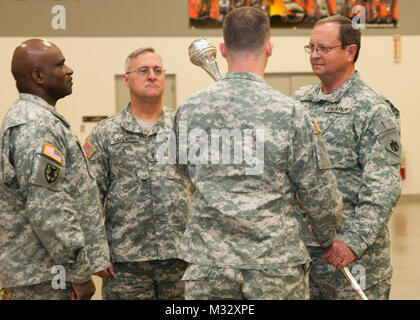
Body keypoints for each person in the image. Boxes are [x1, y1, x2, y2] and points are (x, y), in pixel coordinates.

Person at [174, 7, 342, 300]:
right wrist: (327, 237)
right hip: (274, 269)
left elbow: (179, 172)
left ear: (223, 49)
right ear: (270, 47)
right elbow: (319, 194)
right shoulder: (290, 113)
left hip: (210, 268)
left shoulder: (188, 109)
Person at [292, 15, 402, 300]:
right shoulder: (298, 103)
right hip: (302, 255)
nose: (315, 55)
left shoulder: (372, 108)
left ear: (350, 51)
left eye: (323, 48)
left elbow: (383, 186)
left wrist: (353, 242)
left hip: (351, 257)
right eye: (311, 48)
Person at [0, 39, 111, 300]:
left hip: (46, 273)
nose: (70, 70)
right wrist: (79, 273)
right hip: (45, 278)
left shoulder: (41, 120)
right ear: (38, 76)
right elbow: (48, 208)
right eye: (61, 65)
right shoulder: (36, 126)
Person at [84, 47, 191, 300]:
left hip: (181, 261)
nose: (151, 76)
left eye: (157, 70)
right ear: (126, 79)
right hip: (126, 266)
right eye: (143, 70)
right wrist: (96, 251)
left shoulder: (184, 129)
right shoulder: (105, 134)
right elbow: (89, 197)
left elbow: (205, 190)